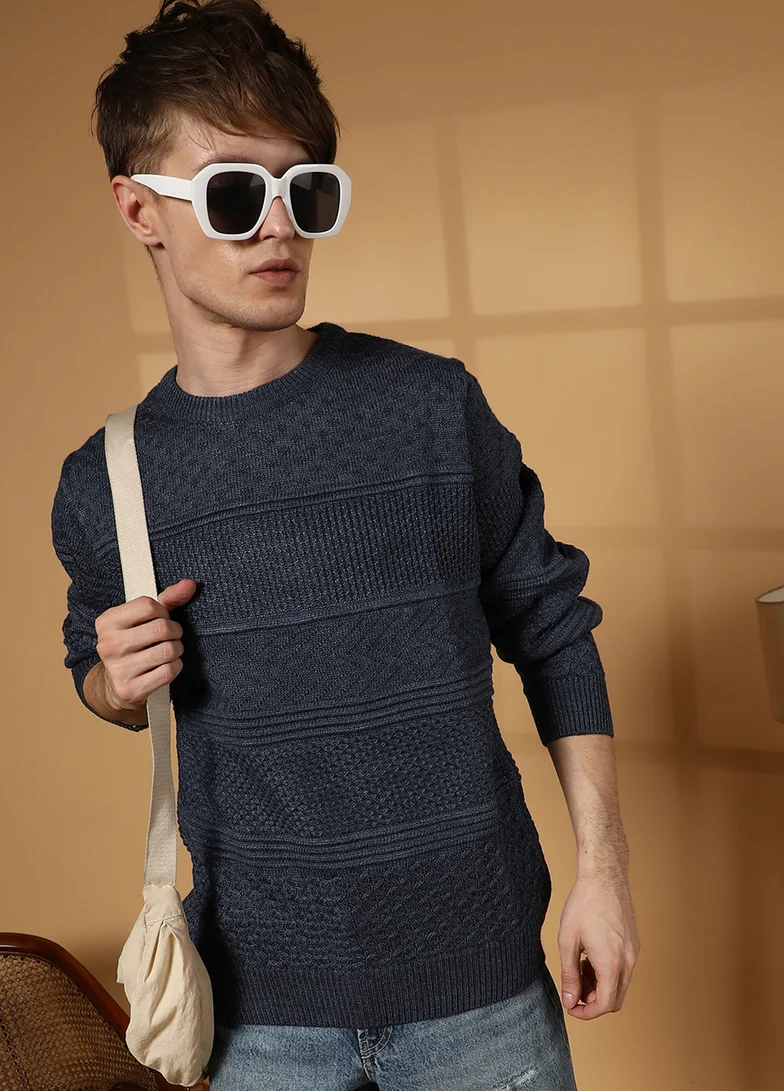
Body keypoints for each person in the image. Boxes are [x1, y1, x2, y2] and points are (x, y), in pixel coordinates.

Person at [50, 1, 640, 1088]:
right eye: (235, 193)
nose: (280, 227)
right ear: (139, 209)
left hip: (482, 995)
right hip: (256, 1017)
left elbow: (553, 629)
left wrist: (602, 875)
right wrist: (114, 683)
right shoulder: (105, 480)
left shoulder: (430, 406)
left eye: (306, 189)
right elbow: (97, 669)